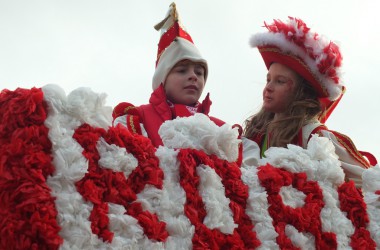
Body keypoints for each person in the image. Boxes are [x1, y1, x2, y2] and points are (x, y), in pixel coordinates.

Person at [243, 17, 377, 187]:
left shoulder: (316, 137)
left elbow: (369, 184)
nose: (268, 87)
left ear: (300, 93)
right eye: (268, 79)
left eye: (280, 81)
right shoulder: (255, 134)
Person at [112, 3, 224, 147]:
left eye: (199, 72)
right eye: (182, 70)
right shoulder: (139, 118)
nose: (193, 76)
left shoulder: (221, 131)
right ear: (162, 79)